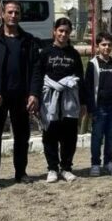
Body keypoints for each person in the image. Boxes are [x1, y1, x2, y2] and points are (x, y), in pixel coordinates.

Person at [0, 0, 40, 186]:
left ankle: (21, 172)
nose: (13, 16)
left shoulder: (28, 40)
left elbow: (36, 69)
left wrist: (34, 93)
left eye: (17, 13)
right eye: (10, 12)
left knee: (22, 137)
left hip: (21, 96)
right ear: (3, 14)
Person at [32, 17, 86, 184]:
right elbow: (38, 76)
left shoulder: (74, 54)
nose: (63, 34)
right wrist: (35, 96)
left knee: (69, 135)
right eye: (60, 31)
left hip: (69, 100)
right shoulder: (46, 53)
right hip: (50, 100)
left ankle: (67, 167)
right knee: (50, 134)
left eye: (67, 32)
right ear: (54, 31)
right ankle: (52, 168)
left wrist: (83, 102)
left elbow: (80, 78)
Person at [85, 32, 112, 176]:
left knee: (111, 136)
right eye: (103, 44)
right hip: (99, 108)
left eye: (109, 45)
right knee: (97, 137)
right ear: (97, 46)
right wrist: (91, 109)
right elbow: (88, 88)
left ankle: (108, 162)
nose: (107, 47)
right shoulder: (92, 65)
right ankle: (95, 163)